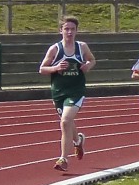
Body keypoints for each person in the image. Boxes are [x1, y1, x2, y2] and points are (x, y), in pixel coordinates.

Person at [38, 16, 96, 172]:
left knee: (65, 121)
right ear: (61, 30)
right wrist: (56, 68)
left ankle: (63, 158)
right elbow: (42, 69)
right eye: (66, 29)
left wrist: (87, 66)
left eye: (72, 29)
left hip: (76, 90)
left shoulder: (82, 47)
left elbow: (92, 60)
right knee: (67, 121)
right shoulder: (55, 49)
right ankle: (78, 141)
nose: (69, 32)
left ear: (77, 31)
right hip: (58, 91)